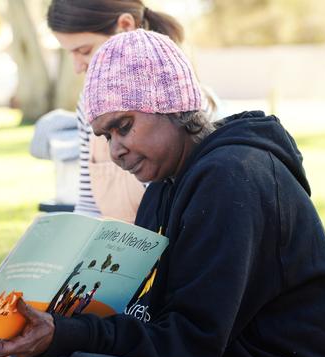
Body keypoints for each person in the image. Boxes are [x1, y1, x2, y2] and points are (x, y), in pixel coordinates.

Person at [0, 29, 325, 357]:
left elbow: (194, 342)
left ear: (172, 105)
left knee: (65, 356)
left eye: (123, 127)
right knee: (43, 352)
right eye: (106, 136)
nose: (115, 151)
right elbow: (147, 312)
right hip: (210, 350)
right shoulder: (165, 184)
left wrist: (71, 333)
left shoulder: (232, 176)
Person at [47, 0, 221, 223]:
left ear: (126, 25)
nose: (77, 66)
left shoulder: (188, 103)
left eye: (84, 50)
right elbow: (88, 204)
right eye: (107, 136)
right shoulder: (86, 103)